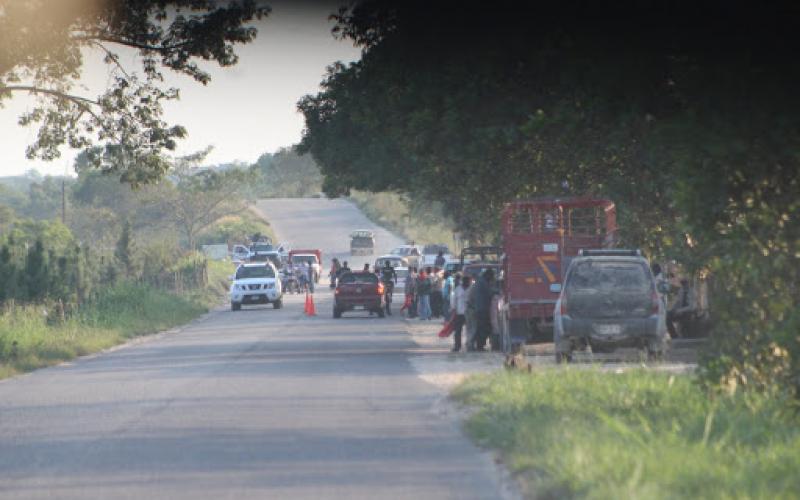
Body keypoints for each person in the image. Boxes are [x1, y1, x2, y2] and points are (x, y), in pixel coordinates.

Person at [473, 269, 496, 351]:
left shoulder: (481, 281)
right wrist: (496, 291)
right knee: (484, 327)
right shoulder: (483, 282)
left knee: (481, 327)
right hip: (482, 309)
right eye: (491, 277)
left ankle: (479, 344)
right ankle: (480, 345)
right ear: (488, 275)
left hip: (480, 308)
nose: (492, 279)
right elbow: (489, 293)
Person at [451, 275, 470, 352]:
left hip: (469, 312)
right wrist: (453, 310)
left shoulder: (471, 289)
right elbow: (454, 300)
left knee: (470, 330)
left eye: (467, 282)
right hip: (459, 313)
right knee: (458, 330)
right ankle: (457, 346)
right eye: (465, 281)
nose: (466, 283)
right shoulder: (458, 289)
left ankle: (470, 345)